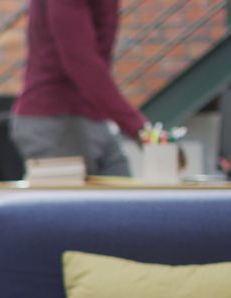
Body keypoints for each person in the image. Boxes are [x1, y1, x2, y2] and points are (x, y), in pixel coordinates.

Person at [11, 0, 147, 176]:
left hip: (92, 116)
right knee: (75, 202)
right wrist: (141, 129)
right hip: (55, 120)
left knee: (128, 200)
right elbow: (81, 62)